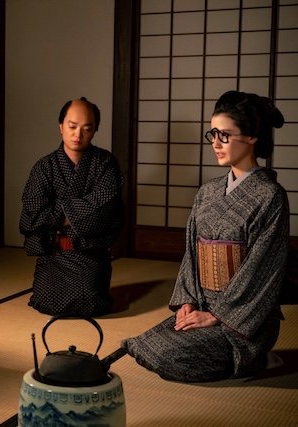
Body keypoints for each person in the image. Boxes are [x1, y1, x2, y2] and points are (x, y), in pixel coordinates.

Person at [122, 90, 289, 382]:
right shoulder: (208, 192)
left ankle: (256, 357)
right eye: (213, 134)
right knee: (144, 343)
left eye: (225, 135)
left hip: (245, 320)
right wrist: (188, 302)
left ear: (252, 136)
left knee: (166, 355)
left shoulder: (270, 195)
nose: (216, 143)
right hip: (203, 306)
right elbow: (191, 254)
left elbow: (263, 269)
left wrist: (217, 316)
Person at [19, 97, 125, 317]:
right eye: (72, 126)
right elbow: (32, 214)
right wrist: (78, 212)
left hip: (90, 253)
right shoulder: (44, 167)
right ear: (61, 126)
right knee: (46, 303)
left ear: (95, 131)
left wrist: (57, 215)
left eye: (87, 128)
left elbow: (104, 209)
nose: (78, 134)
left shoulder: (106, 163)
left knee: (92, 303)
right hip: (54, 255)